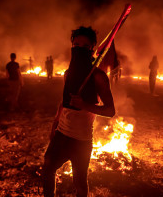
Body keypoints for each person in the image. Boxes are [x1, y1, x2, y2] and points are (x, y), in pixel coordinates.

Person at [42, 26, 115, 197]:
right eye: (76, 44)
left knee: (80, 182)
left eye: (84, 45)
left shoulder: (98, 77)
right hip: (61, 135)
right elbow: (64, 102)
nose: (79, 48)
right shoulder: (68, 74)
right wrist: (54, 123)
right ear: (72, 46)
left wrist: (85, 105)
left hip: (82, 140)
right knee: (47, 169)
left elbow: (110, 110)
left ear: (92, 49)